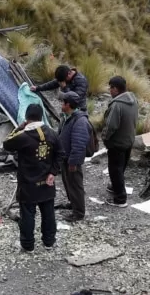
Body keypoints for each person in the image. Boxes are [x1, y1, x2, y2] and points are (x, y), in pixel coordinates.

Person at [2, 103, 61, 252]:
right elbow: (61, 153)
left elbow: (6, 144)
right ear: (41, 116)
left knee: (28, 214)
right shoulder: (52, 133)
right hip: (47, 182)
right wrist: (53, 172)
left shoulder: (23, 136)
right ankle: (49, 242)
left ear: (26, 118)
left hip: (28, 183)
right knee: (48, 213)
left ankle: (28, 245)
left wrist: (19, 127)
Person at [101, 75, 137, 207]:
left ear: (116, 89)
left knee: (115, 170)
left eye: (111, 88)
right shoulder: (133, 99)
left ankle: (120, 199)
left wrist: (104, 138)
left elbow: (111, 125)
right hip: (129, 140)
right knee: (121, 167)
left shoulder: (117, 105)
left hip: (117, 143)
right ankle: (115, 187)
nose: (110, 90)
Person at [57, 92, 90, 222]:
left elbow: (79, 143)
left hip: (72, 160)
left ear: (68, 104)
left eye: (63, 102)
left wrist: (73, 162)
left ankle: (79, 213)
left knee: (75, 185)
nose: (61, 104)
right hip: (65, 158)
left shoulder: (80, 120)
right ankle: (73, 204)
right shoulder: (67, 117)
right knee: (68, 183)